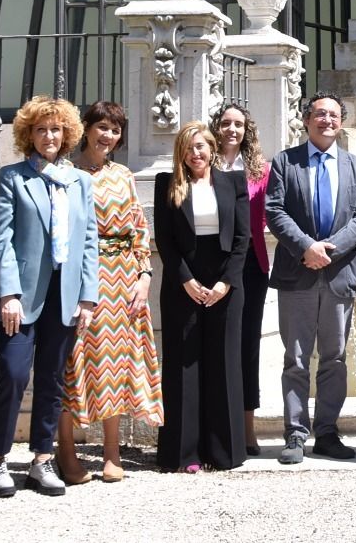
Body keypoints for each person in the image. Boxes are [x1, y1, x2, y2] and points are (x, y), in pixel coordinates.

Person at [0, 96, 100, 499]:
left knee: (52, 379)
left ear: (67, 133)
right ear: (28, 135)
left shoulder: (80, 181)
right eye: (40, 129)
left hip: (65, 296)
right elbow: (1, 239)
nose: (49, 136)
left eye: (55, 129)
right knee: (13, 375)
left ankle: (40, 460)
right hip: (22, 297)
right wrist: (9, 293)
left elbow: (89, 243)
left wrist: (87, 297)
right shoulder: (13, 178)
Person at [57, 101, 163, 483]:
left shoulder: (123, 174)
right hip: (82, 274)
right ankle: (66, 451)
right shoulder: (65, 173)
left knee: (116, 361)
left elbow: (138, 227)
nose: (108, 136)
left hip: (123, 278)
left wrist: (144, 273)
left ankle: (112, 452)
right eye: (102, 127)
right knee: (77, 360)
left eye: (115, 130)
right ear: (86, 129)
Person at [264, 92, 356, 463]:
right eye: (319, 114)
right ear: (306, 119)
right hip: (298, 273)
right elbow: (275, 211)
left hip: (339, 275)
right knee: (295, 358)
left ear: (341, 122)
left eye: (333, 115)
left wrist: (329, 249)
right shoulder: (284, 162)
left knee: (334, 358)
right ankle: (295, 434)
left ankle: (327, 432)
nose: (327, 120)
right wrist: (307, 247)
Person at [153, 121, 250, 472]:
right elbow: (164, 240)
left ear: (212, 149)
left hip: (225, 280)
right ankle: (185, 454)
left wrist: (226, 283)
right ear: (182, 151)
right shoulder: (168, 184)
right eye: (189, 147)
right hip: (184, 281)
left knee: (224, 363)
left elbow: (242, 240)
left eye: (202, 147)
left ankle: (223, 452)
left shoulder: (233, 183)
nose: (196, 153)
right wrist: (186, 281)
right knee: (184, 364)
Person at [211, 101, 271, 457]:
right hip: (213, 265)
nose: (232, 130)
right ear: (216, 126)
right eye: (226, 123)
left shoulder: (261, 170)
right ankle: (217, 424)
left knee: (248, 345)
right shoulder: (204, 164)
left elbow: (270, 212)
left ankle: (247, 426)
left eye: (239, 124)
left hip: (250, 263)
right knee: (218, 343)